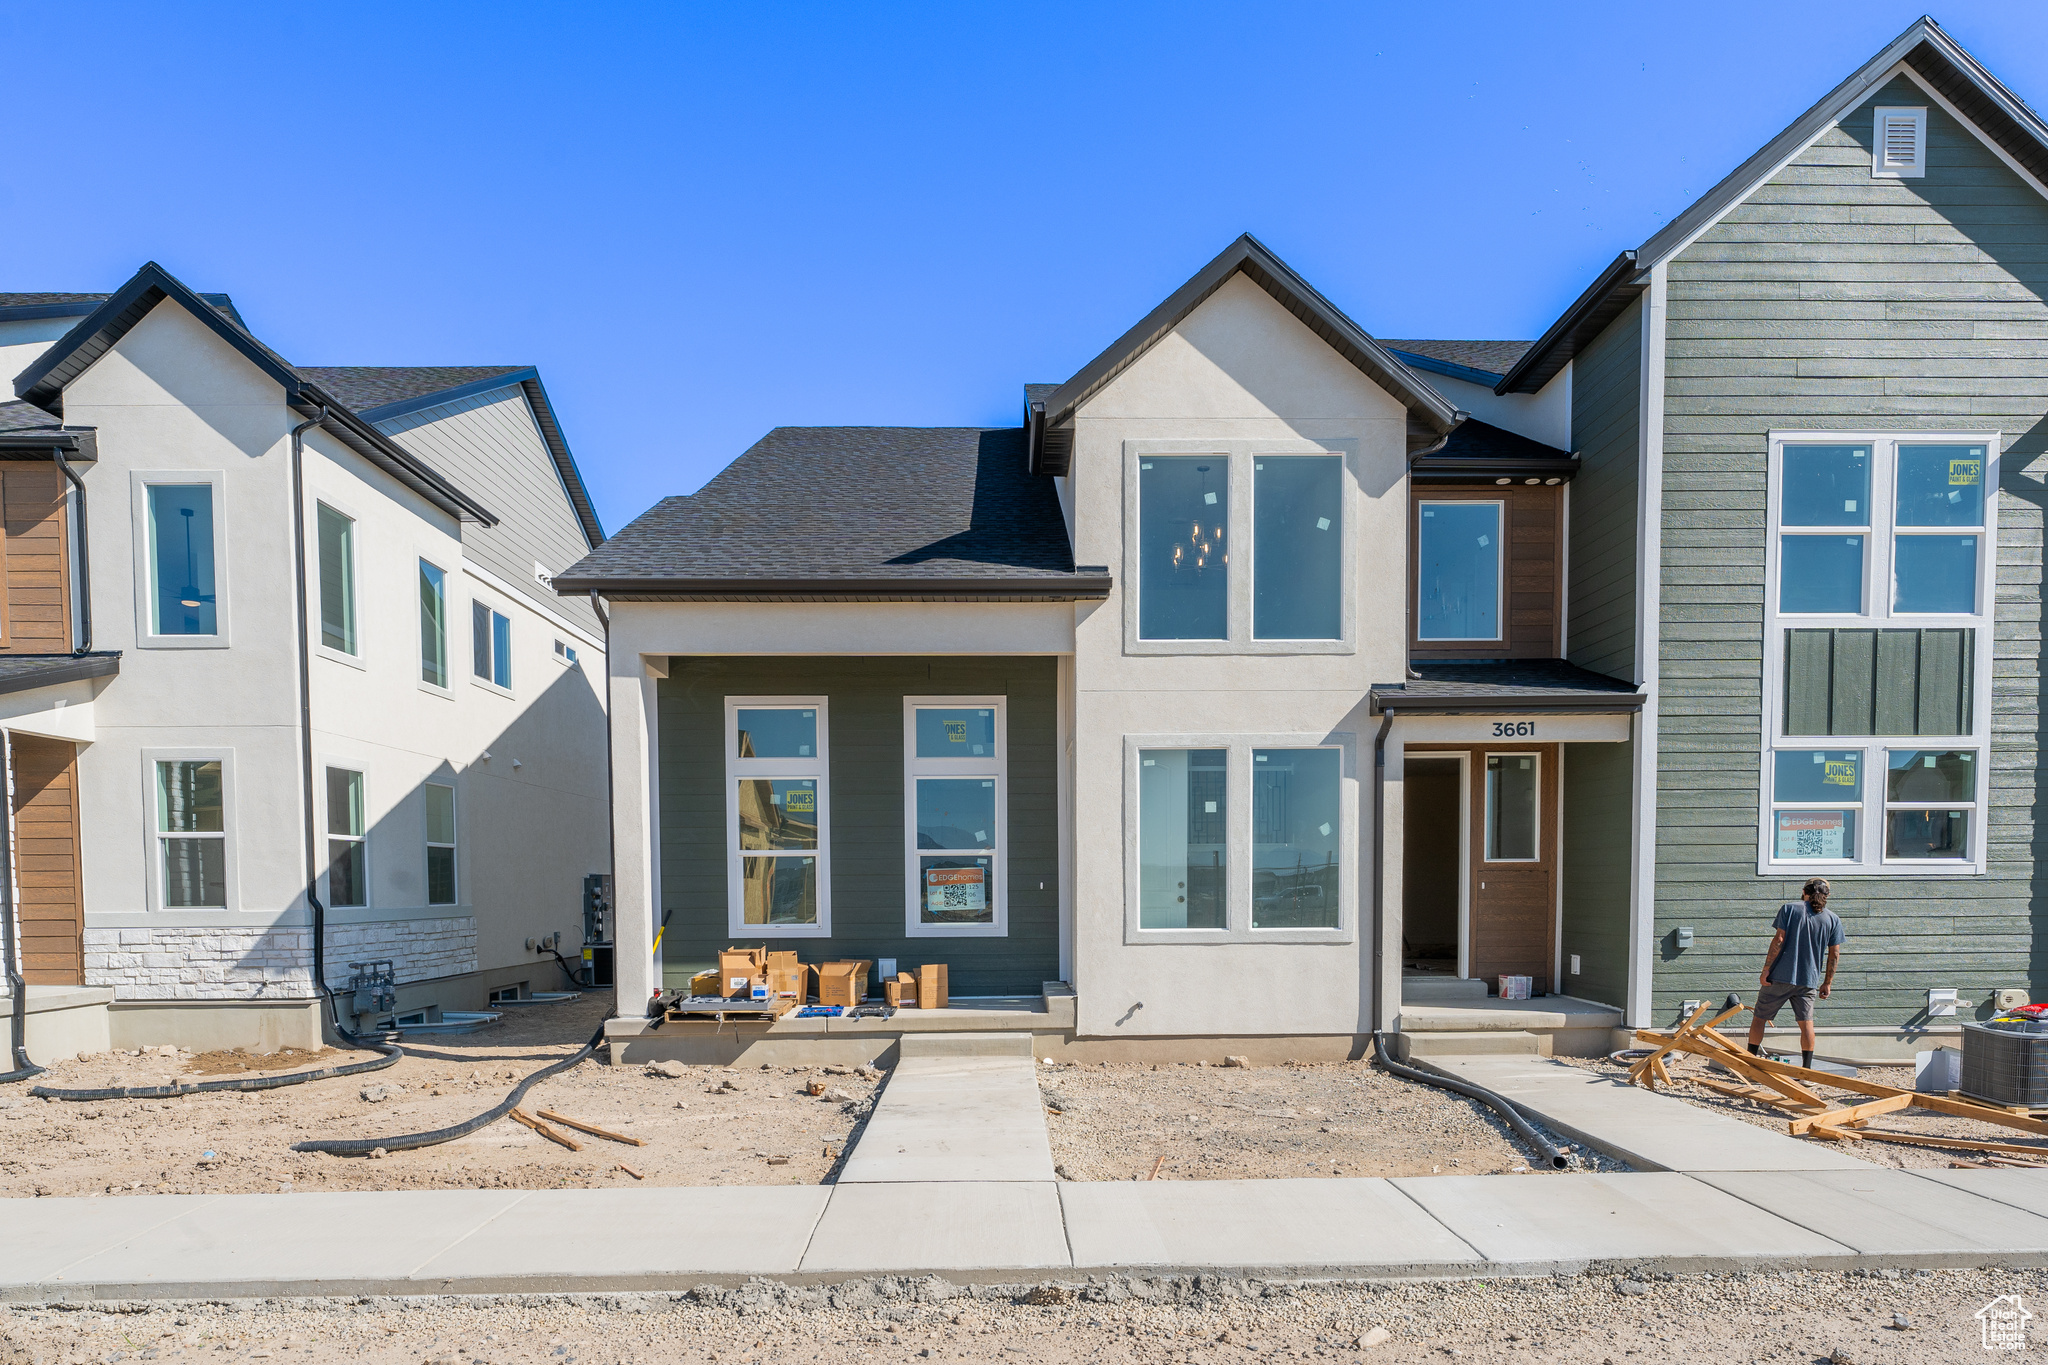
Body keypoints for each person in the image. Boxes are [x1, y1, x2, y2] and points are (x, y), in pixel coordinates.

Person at [1746, 877, 1844, 1070]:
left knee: (1760, 1018)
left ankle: (1749, 1064)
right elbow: (1835, 953)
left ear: (1803, 891)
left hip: (1779, 977)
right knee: (1806, 1023)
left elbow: (1779, 940)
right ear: (1827, 895)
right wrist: (1827, 982)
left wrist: (1766, 969)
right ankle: (1806, 1071)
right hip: (1808, 980)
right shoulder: (1833, 919)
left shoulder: (1789, 909)